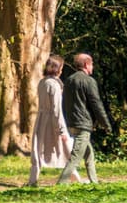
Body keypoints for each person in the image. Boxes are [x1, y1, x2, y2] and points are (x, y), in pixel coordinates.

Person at [59, 52, 112, 185]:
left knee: (89, 153)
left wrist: (67, 121)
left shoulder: (69, 80)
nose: (92, 67)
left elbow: (64, 103)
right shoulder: (89, 81)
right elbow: (96, 104)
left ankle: (94, 181)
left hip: (72, 122)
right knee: (76, 157)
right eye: (92, 64)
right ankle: (61, 183)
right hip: (83, 124)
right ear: (86, 64)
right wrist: (106, 124)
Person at [26, 54, 73, 187]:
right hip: (52, 120)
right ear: (58, 69)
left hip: (41, 119)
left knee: (38, 148)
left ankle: (33, 179)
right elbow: (56, 109)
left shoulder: (42, 82)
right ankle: (74, 177)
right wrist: (62, 129)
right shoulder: (54, 85)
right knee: (66, 147)